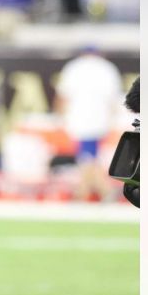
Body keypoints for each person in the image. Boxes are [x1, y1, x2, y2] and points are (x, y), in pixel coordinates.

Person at [55, 48, 124, 202]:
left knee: (87, 157)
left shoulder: (74, 67)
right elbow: (114, 98)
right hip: (100, 119)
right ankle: (85, 191)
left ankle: (99, 191)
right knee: (89, 157)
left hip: (80, 118)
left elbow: (63, 95)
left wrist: (60, 116)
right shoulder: (107, 68)